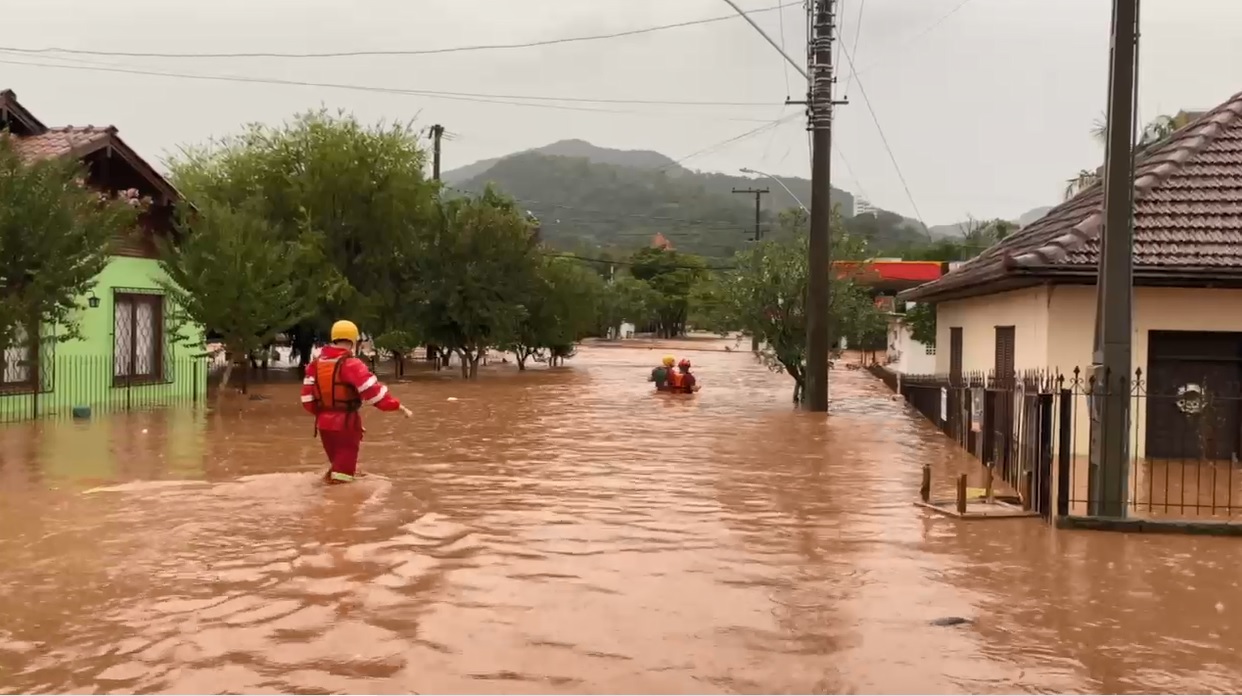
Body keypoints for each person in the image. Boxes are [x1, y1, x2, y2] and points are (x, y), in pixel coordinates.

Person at [301, 319, 412, 484]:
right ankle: (339, 506)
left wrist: (328, 415)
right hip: (346, 424)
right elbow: (375, 395)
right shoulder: (352, 364)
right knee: (343, 477)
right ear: (353, 341)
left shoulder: (314, 365)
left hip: (324, 425)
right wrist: (399, 407)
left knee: (337, 467)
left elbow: (307, 401)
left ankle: (328, 496)